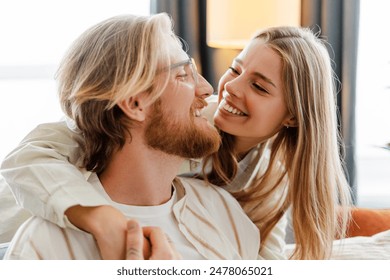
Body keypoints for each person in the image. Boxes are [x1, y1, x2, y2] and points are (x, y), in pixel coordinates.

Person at [1, 25, 351, 260]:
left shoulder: (265, 183)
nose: (223, 88)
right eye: (235, 68)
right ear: (135, 103)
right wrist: (103, 220)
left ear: (292, 115)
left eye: (259, 87)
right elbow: (26, 158)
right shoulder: (162, 121)